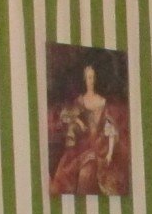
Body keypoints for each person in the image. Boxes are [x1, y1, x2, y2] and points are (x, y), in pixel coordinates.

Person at [48, 63, 129, 195]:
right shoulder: (80, 100)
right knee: (68, 174)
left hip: (100, 145)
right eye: (88, 78)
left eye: (92, 77)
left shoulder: (102, 101)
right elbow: (68, 116)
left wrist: (109, 153)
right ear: (84, 79)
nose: (90, 81)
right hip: (83, 145)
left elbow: (110, 130)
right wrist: (79, 122)